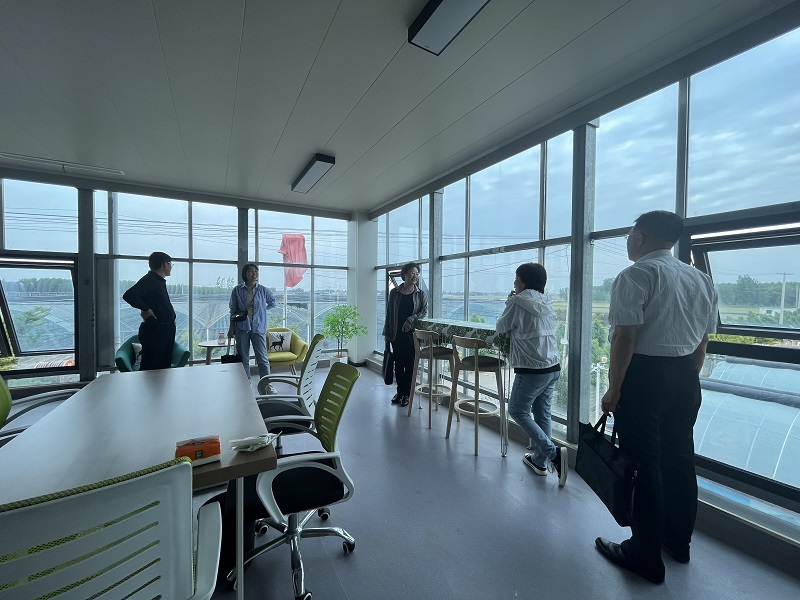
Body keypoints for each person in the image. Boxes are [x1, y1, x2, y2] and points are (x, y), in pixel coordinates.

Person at [595, 210, 718, 584]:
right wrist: (686, 376)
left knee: (643, 464)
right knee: (679, 459)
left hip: (644, 377)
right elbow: (703, 341)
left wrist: (614, 389)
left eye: (630, 236)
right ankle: (677, 543)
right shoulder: (700, 279)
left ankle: (644, 555)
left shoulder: (636, 275)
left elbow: (625, 337)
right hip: (685, 376)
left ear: (639, 237)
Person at [495, 262, 567, 486]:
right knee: (542, 414)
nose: (514, 283)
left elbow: (501, 327)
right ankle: (540, 461)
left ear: (524, 282)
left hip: (531, 368)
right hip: (552, 366)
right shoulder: (546, 301)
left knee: (517, 410)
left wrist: (509, 302)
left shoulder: (517, 301)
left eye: (516, 279)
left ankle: (553, 453)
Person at [122, 252, 176, 370]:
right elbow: (129, 295)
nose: (171, 267)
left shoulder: (158, 281)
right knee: (151, 366)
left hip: (164, 329)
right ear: (164, 264)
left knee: (163, 365)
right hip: (156, 330)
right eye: (170, 263)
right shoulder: (150, 280)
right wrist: (146, 309)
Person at [383, 262, 427, 407]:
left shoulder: (420, 294)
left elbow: (423, 311)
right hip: (396, 334)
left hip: (412, 336)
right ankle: (400, 392)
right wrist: (387, 333)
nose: (415, 276)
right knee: (398, 365)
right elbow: (389, 313)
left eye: (417, 273)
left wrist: (410, 319)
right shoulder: (394, 293)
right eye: (412, 273)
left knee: (410, 365)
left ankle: (407, 394)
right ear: (404, 275)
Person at [228, 263, 276, 390]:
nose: (254, 273)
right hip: (241, 327)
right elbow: (232, 310)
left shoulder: (263, 290)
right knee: (244, 358)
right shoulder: (237, 290)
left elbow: (273, 302)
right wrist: (231, 328)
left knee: (262, 357)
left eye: (256, 271)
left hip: (258, 327)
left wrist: (262, 310)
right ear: (245, 274)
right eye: (250, 271)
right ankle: (246, 383)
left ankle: (267, 384)